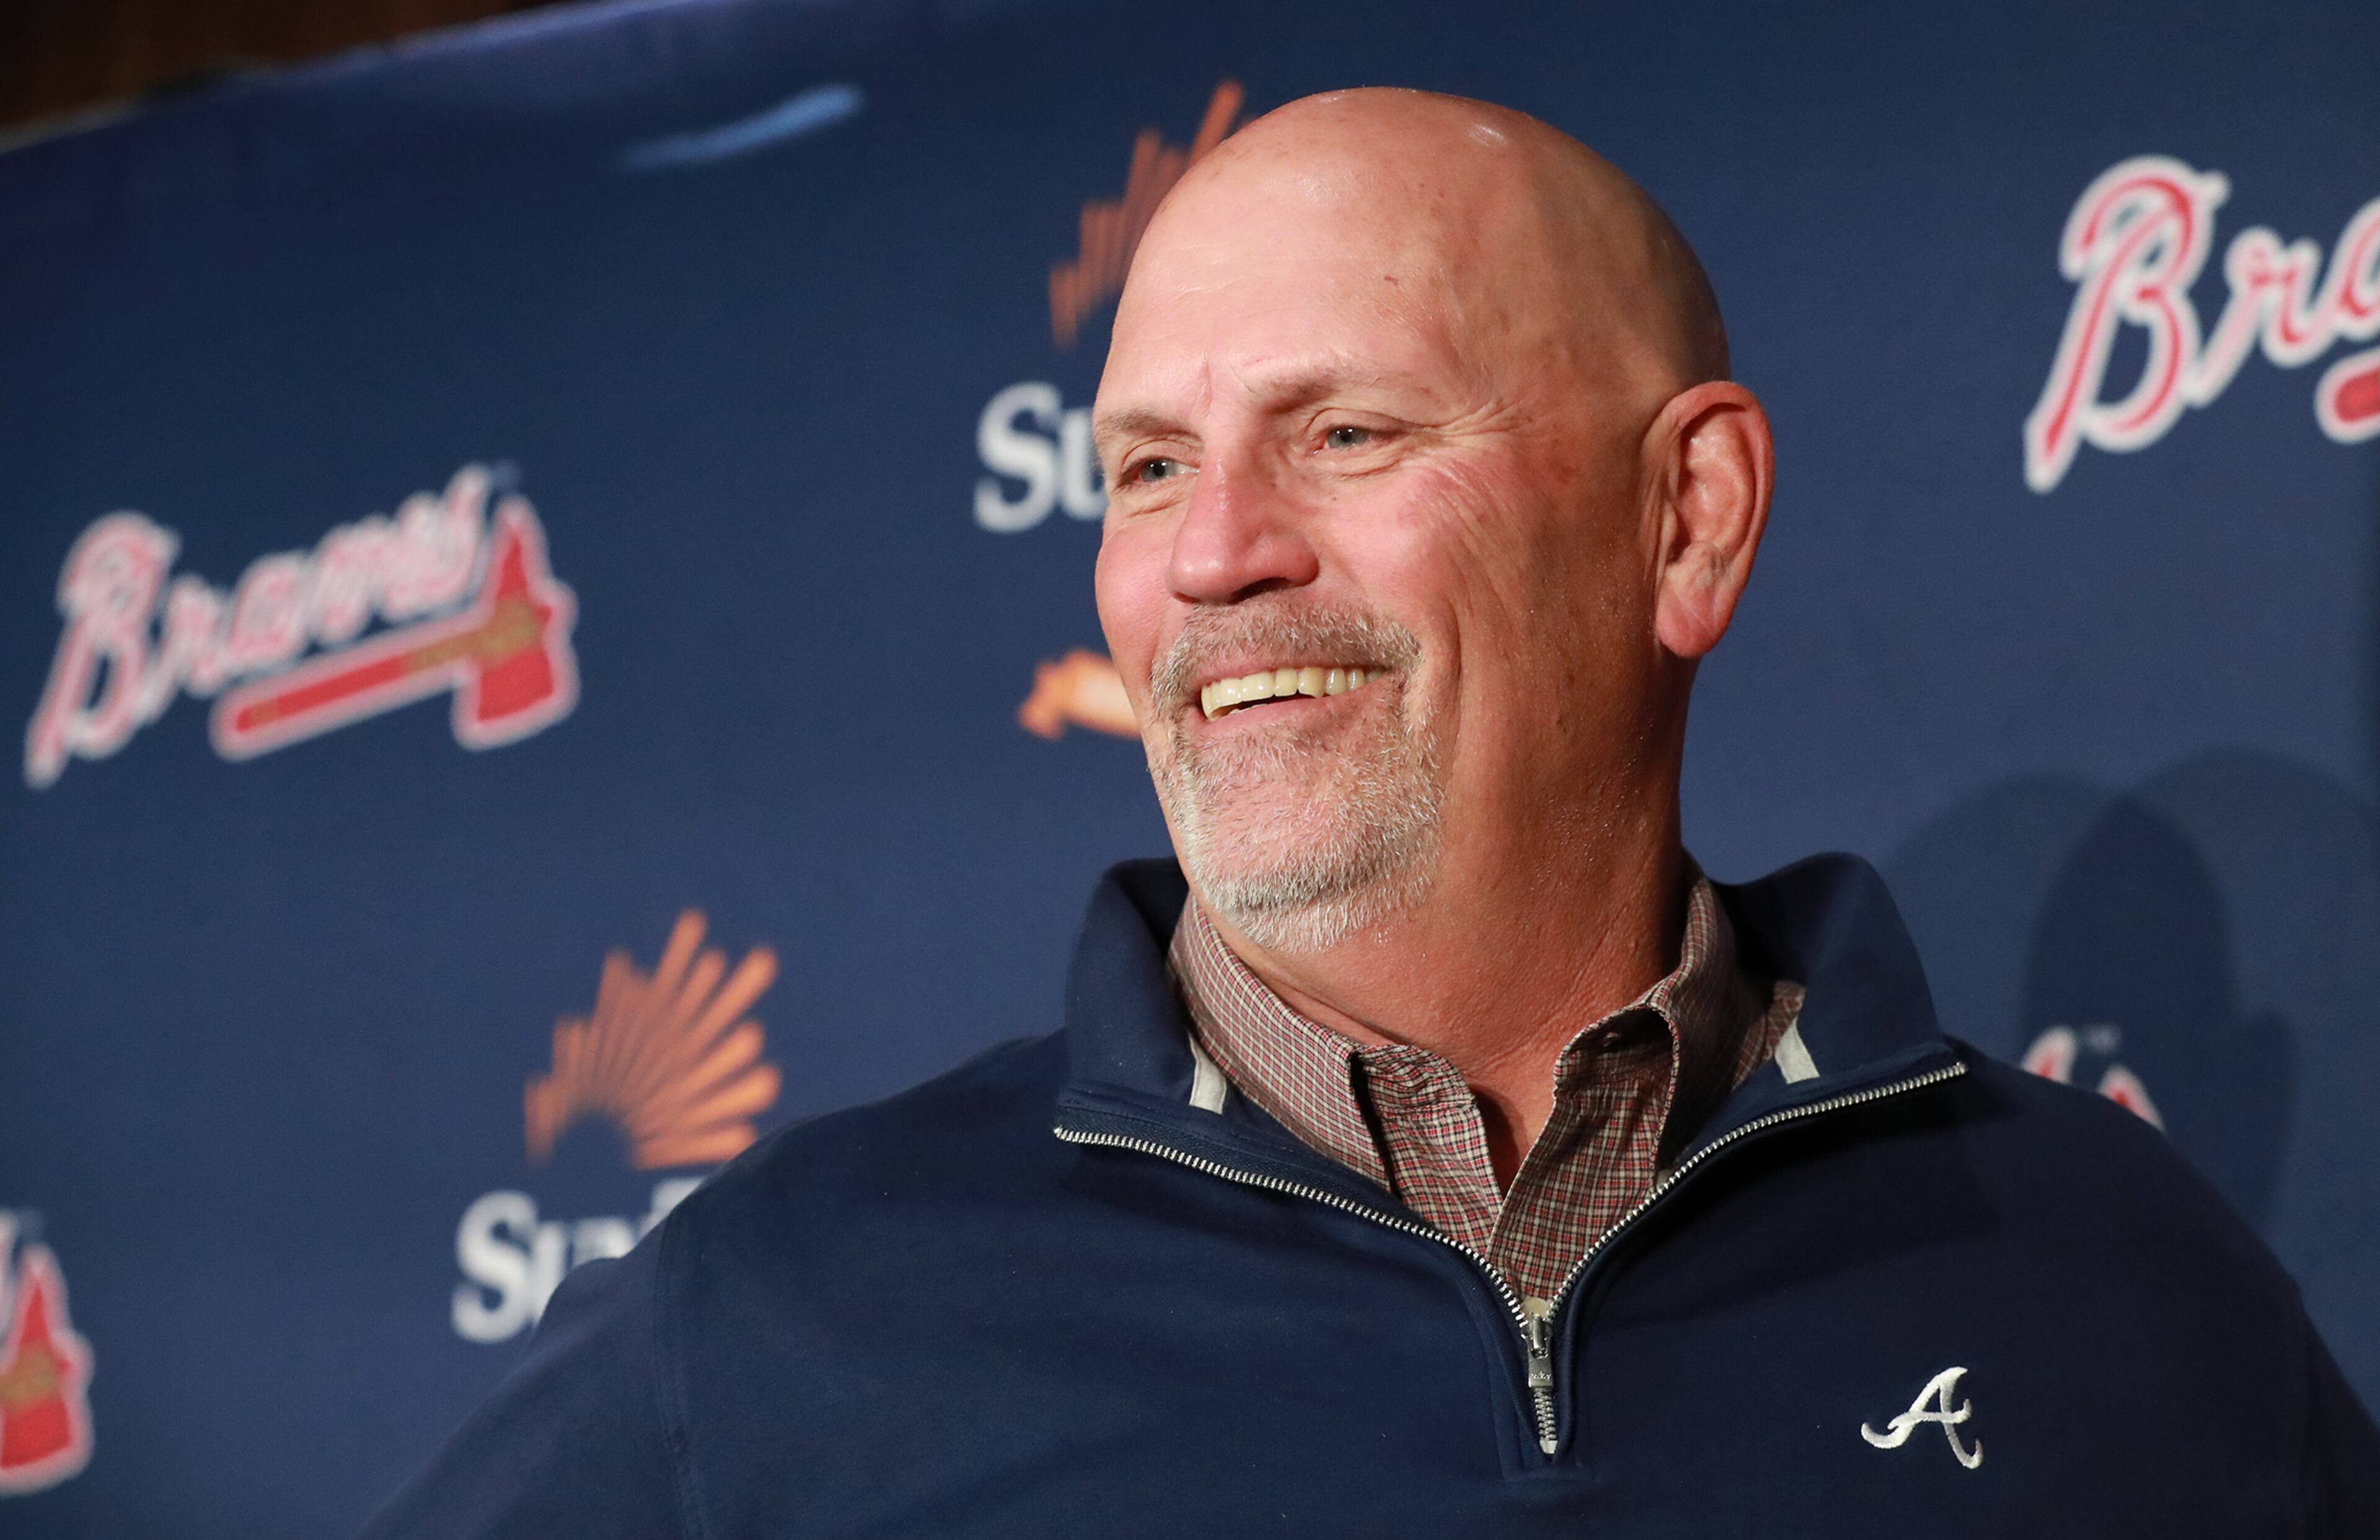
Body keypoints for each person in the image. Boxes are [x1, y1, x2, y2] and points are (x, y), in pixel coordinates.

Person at [363, 89, 2379, 1537]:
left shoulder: (2129, 1284)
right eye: (1146, 471)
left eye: (1344, 432)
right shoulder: (777, 1320)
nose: (1214, 557)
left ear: (1688, 522)